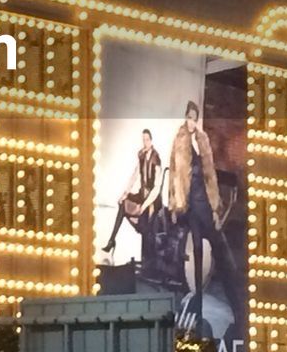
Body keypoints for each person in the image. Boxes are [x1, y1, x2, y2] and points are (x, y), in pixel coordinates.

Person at [167, 100, 243, 330]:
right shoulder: (180, 140)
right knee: (197, 248)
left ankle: (236, 301)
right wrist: (174, 204)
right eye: (189, 117)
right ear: (185, 117)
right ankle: (198, 299)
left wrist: (215, 206)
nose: (191, 122)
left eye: (194, 117)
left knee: (219, 248)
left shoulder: (203, 141)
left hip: (205, 203)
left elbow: (211, 176)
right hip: (189, 203)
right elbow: (173, 174)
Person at [100, 129, 163, 259]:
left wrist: (145, 205)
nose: (145, 142)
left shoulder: (156, 158)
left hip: (152, 200)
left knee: (144, 225)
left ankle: (149, 259)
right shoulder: (141, 155)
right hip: (142, 194)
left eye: (147, 140)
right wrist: (125, 193)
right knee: (123, 203)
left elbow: (157, 188)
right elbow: (134, 176)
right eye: (143, 140)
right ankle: (112, 240)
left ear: (151, 141)